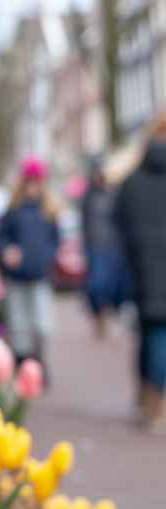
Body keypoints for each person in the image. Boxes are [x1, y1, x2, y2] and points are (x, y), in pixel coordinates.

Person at [115, 113, 166, 431]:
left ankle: (145, 397)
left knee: (149, 336)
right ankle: (156, 405)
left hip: (142, 273)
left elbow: (120, 224)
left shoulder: (131, 182)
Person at [0, 156, 60, 378]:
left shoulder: (48, 210)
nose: (33, 185)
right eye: (29, 181)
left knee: (41, 324)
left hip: (39, 276)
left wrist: (46, 257)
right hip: (17, 277)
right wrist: (6, 250)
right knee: (19, 324)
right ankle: (22, 364)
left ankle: (39, 362)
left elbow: (55, 240)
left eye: (36, 181)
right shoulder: (13, 210)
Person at [80, 156, 129, 338]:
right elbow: (84, 223)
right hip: (95, 247)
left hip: (113, 246)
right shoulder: (88, 197)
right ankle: (98, 317)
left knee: (112, 286)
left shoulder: (114, 194)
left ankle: (107, 315)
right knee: (96, 286)